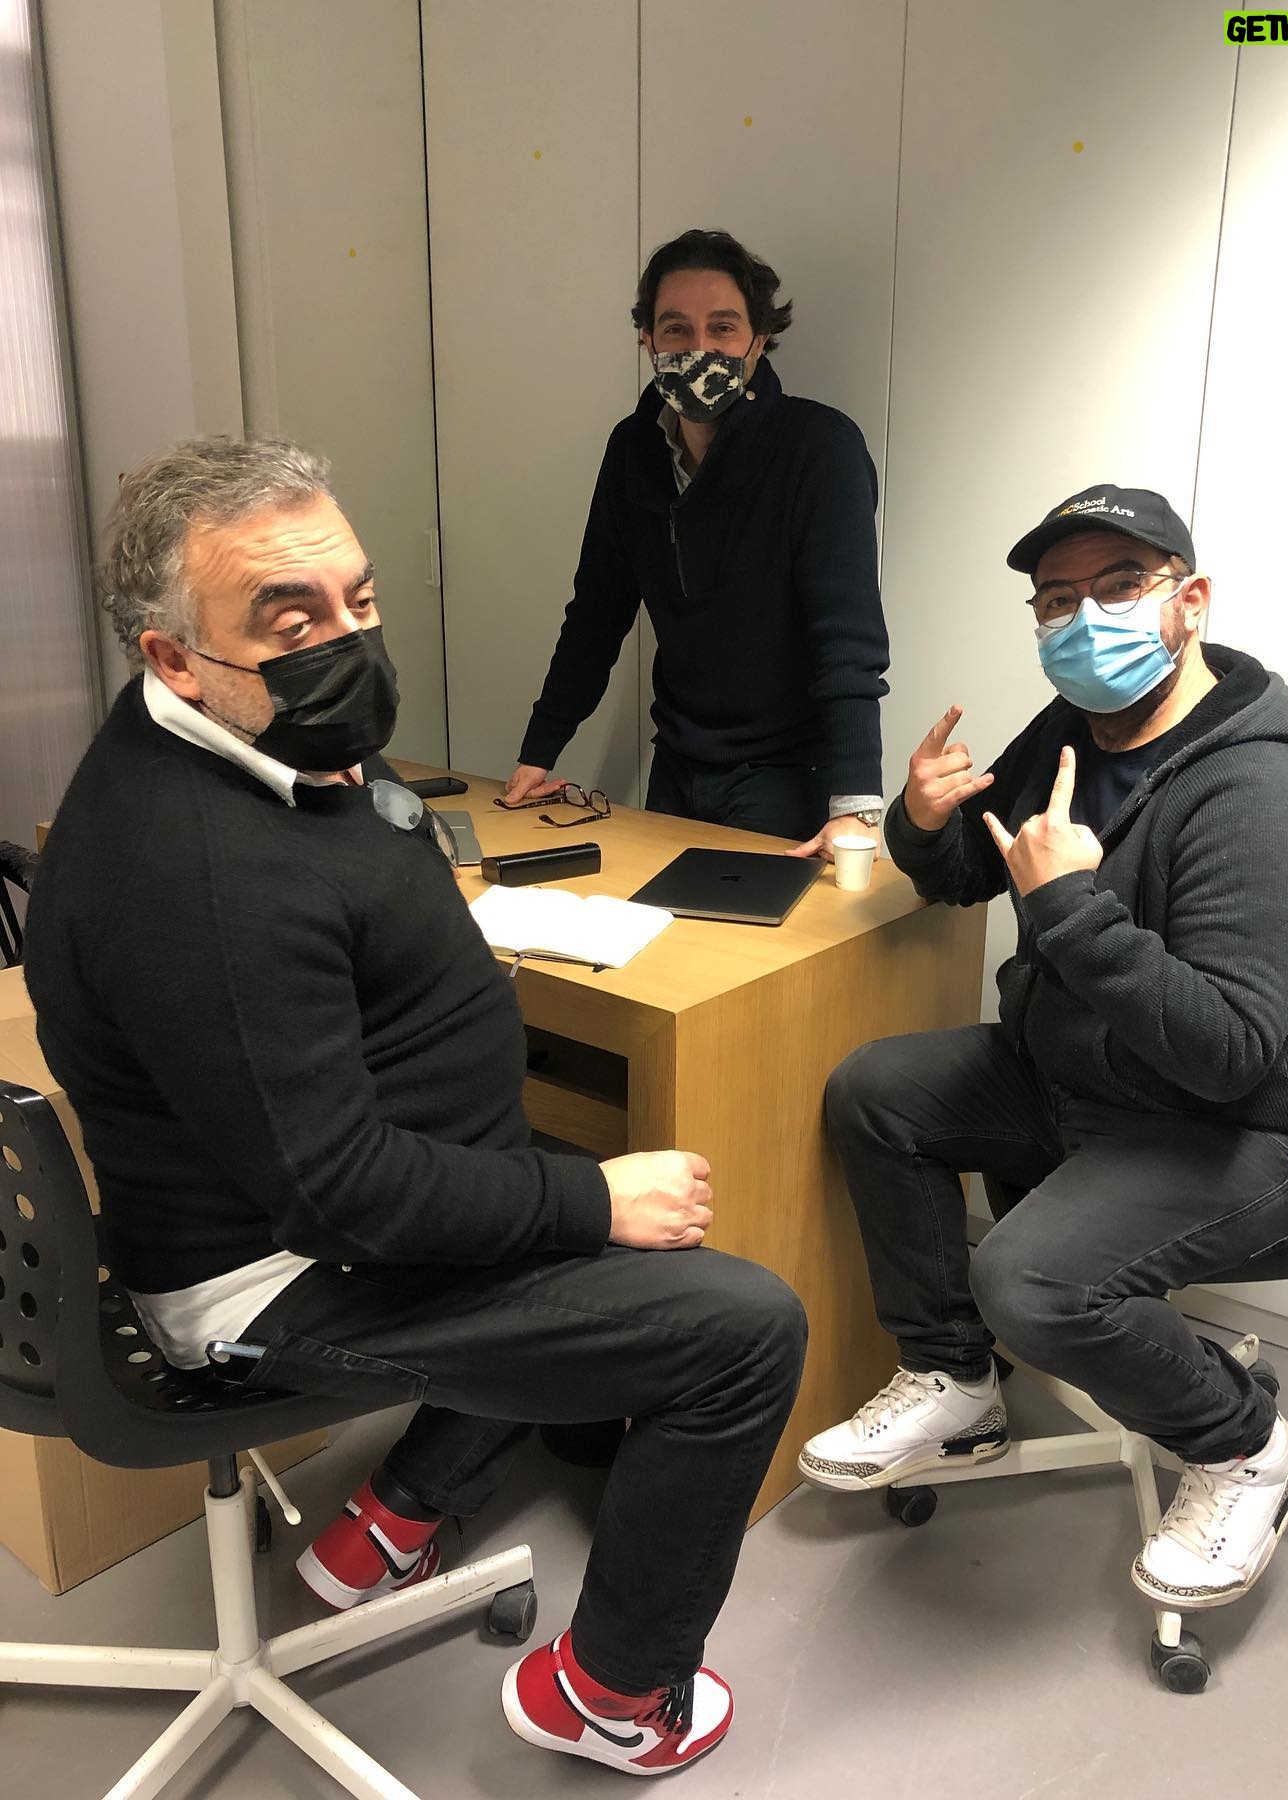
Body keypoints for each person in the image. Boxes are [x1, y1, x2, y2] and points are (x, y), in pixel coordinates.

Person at [24, 436, 806, 1776]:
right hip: (285, 1271)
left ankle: (390, 1519)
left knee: (574, 1213)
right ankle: (614, 1697)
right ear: (174, 657)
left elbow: (335, 874)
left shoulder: (237, 737)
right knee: (737, 1327)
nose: (345, 640)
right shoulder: (195, 875)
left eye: (360, 599)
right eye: (291, 621)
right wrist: (588, 1200)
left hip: (331, 1191)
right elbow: (345, 1197)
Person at [799, 484, 1288, 1611]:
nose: (1084, 621)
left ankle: (1246, 1446)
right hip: (1102, 1071)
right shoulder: (1077, 727)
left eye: (1120, 587)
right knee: (877, 1091)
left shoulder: (1265, 786)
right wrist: (922, 820)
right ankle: (953, 1376)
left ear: (1190, 601)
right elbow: (975, 874)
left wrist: (1071, 908)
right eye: (1058, 600)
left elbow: (1229, 1050)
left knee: (1027, 1279)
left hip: (1257, 1123)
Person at [505, 228, 890, 859]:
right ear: (648, 339)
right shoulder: (632, 451)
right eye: (677, 329)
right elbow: (597, 614)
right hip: (677, 768)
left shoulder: (820, 448)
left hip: (786, 778)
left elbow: (847, 637)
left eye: (723, 328)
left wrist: (856, 806)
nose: (699, 348)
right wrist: (537, 753)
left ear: (758, 340)